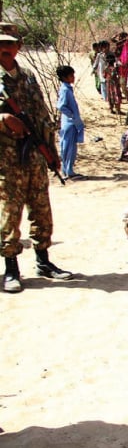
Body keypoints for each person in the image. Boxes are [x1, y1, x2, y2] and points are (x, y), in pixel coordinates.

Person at [0, 22, 73, 292]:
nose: (6, 49)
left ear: (18, 47)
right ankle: (11, 269)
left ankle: (43, 260)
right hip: (6, 160)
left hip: (34, 154)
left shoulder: (28, 77)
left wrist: (51, 152)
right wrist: (3, 120)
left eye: (10, 44)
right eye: (1, 45)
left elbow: (42, 115)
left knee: (41, 209)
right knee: (10, 214)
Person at [55, 65, 84, 180]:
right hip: (69, 123)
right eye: (71, 75)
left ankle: (67, 169)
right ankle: (68, 171)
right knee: (68, 147)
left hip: (70, 122)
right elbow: (61, 106)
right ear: (65, 77)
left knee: (69, 146)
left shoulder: (67, 88)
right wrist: (72, 116)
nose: (73, 77)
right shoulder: (65, 90)